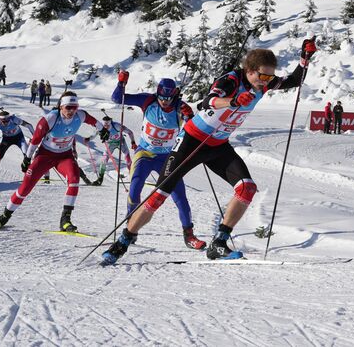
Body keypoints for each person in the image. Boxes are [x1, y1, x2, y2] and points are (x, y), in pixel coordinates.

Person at [101, 39, 316, 265]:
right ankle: (123, 242)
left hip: (218, 145)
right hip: (192, 141)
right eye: (262, 77)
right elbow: (207, 102)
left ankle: (219, 243)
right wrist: (233, 100)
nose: (266, 83)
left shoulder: (263, 83)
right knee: (159, 195)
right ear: (250, 71)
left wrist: (305, 59)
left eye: (270, 78)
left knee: (247, 188)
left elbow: (294, 80)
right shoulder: (232, 80)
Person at [0, 92, 104, 232]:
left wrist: (103, 130)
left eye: (74, 107)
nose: (71, 111)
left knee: (74, 179)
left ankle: (65, 220)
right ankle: (4, 217)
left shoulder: (80, 115)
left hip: (65, 155)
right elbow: (35, 140)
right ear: (61, 106)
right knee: (25, 187)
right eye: (68, 107)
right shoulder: (50, 118)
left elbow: (94, 121)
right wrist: (27, 158)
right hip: (45, 155)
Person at [112, 72, 205, 250]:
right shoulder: (147, 101)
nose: (165, 101)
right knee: (135, 186)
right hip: (145, 154)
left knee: (179, 197)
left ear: (175, 94)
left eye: (169, 98)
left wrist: (189, 116)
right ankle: (131, 228)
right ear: (157, 93)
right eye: (162, 97)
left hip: (168, 157)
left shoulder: (180, 106)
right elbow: (117, 98)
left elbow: (192, 125)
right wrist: (121, 83)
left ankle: (189, 235)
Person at [0, 109, 34, 181]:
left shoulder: (14, 119)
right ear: (0, 120)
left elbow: (29, 125)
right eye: (3, 121)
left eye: (7, 121)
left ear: (9, 118)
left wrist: (34, 137)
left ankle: (27, 176)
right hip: (7, 139)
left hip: (19, 138)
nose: (5, 123)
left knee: (27, 156)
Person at [94, 112, 135, 186]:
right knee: (104, 160)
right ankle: (100, 179)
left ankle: (133, 177)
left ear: (110, 123)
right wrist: (88, 139)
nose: (105, 126)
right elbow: (94, 135)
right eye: (104, 125)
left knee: (127, 158)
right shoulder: (100, 127)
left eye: (107, 125)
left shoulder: (117, 126)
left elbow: (130, 132)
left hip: (120, 142)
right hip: (110, 144)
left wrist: (133, 142)